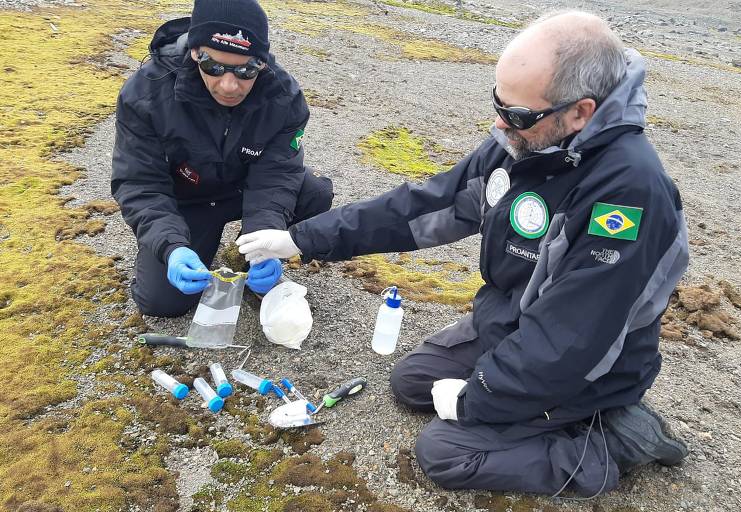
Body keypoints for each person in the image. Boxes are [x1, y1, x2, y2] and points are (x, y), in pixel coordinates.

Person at [235, 10, 690, 497]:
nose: (499, 123)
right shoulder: (528, 143)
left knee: (446, 453)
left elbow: (570, 340)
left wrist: (478, 398)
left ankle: (611, 444)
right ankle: (527, 402)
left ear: (580, 112)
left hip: (589, 367)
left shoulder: (628, 195)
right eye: (498, 102)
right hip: (510, 323)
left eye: (516, 115)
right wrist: (304, 239)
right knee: (412, 384)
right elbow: (429, 205)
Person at [111, 0, 333, 317]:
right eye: (213, 67)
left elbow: (276, 178)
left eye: (246, 70)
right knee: (161, 302)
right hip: (188, 199)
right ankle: (185, 244)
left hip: (243, 189)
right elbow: (138, 181)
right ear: (195, 53)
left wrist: (265, 244)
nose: (229, 85)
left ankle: (244, 254)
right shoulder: (146, 92)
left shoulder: (283, 97)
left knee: (315, 194)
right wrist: (171, 245)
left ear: (263, 62)